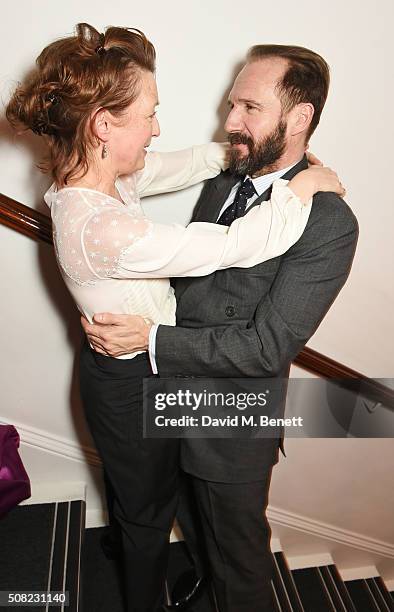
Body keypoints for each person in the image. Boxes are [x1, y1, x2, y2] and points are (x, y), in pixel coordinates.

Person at [6, 24, 344, 611]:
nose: (229, 121)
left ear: (299, 118)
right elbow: (220, 253)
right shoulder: (102, 216)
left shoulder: (330, 224)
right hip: (144, 383)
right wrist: (295, 181)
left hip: (227, 411)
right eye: (230, 104)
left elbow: (267, 347)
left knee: (238, 553)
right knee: (162, 511)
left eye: (248, 107)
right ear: (103, 125)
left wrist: (298, 181)